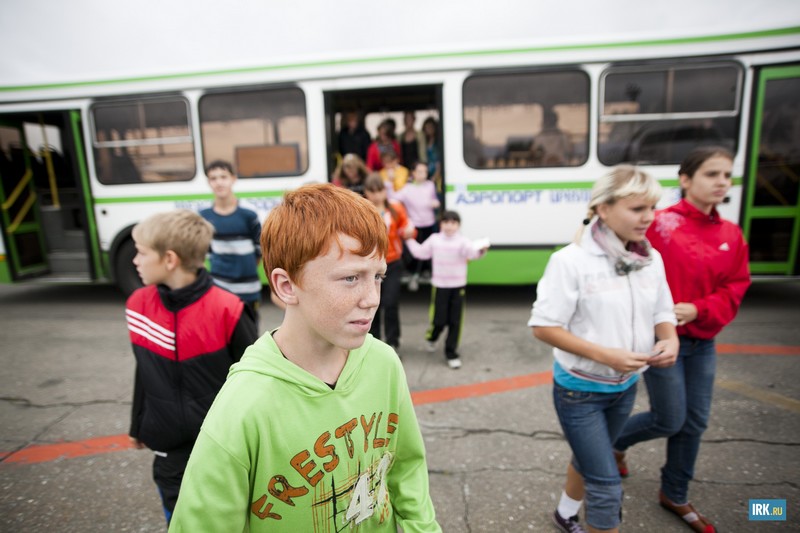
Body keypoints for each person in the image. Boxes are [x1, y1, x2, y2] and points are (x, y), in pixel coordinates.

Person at [169, 183, 440, 532]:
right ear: (285, 286)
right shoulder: (243, 406)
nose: (372, 297)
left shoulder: (383, 363)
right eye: (351, 278)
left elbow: (406, 467)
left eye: (378, 277)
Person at [528, 165, 679, 533]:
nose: (648, 218)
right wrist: (605, 355)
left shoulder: (650, 258)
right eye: (637, 209)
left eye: (652, 208)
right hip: (579, 392)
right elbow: (543, 327)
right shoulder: (570, 261)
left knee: (589, 458)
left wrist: (669, 336)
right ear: (603, 208)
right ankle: (572, 514)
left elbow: (662, 309)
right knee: (607, 487)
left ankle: (565, 514)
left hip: (625, 387)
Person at [613, 146, 751, 533]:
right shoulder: (658, 223)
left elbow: (736, 284)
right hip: (659, 339)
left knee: (695, 422)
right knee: (668, 418)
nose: (722, 182)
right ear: (686, 180)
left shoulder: (731, 233)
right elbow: (621, 262)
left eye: (727, 175)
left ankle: (674, 493)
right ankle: (610, 442)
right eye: (712, 174)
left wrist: (701, 309)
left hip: (702, 340)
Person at [126, 209, 258, 525]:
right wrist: (138, 425)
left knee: (227, 518)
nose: (135, 260)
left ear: (169, 259)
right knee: (179, 519)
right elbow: (144, 370)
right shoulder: (138, 306)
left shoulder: (227, 309)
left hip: (220, 446)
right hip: (168, 447)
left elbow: (255, 381)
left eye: (142, 253)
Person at [404, 210, 487, 369]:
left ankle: (451, 353)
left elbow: (473, 253)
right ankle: (432, 337)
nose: (449, 226)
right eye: (446, 222)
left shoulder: (463, 241)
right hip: (440, 286)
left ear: (458, 225)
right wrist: (409, 241)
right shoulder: (435, 240)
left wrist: (482, 250)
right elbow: (421, 252)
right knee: (439, 320)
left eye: (453, 223)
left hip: (458, 287)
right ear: (440, 224)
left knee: (455, 321)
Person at [200, 160, 264, 322]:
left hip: (249, 290)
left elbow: (260, 248)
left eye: (223, 177)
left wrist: (245, 268)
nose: (219, 182)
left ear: (233, 179)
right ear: (208, 182)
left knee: (249, 336)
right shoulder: (204, 217)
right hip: (219, 288)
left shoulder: (248, 215)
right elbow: (204, 252)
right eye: (213, 178)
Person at [363, 174, 415, 351]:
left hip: (392, 262)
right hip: (369, 265)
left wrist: (409, 231)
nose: (377, 195)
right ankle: (373, 343)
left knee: (391, 303)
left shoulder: (395, 207)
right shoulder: (363, 210)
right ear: (366, 192)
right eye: (372, 191)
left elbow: (407, 228)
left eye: (380, 190)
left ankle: (393, 342)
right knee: (372, 305)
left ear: (385, 191)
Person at [394, 160, 441, 291]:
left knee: (429, 250)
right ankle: (414, 274)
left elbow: (435, 198)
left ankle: (427, 272)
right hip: (415, 225)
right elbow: (394, 199)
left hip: (430, 223)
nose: (423, 174)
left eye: (425, 172)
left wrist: (435, 202)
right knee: (415, 251)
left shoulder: (430, 185)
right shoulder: (407, 188)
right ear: (413, 173)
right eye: (420, 171)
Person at [421, 117, 443, 193]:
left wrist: (435, 176)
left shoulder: (439, 142)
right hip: (426, 173)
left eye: (430, 127)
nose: (428, 129)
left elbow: (440, 161)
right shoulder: (424, 141)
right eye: (426, 127)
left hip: (437, 175)